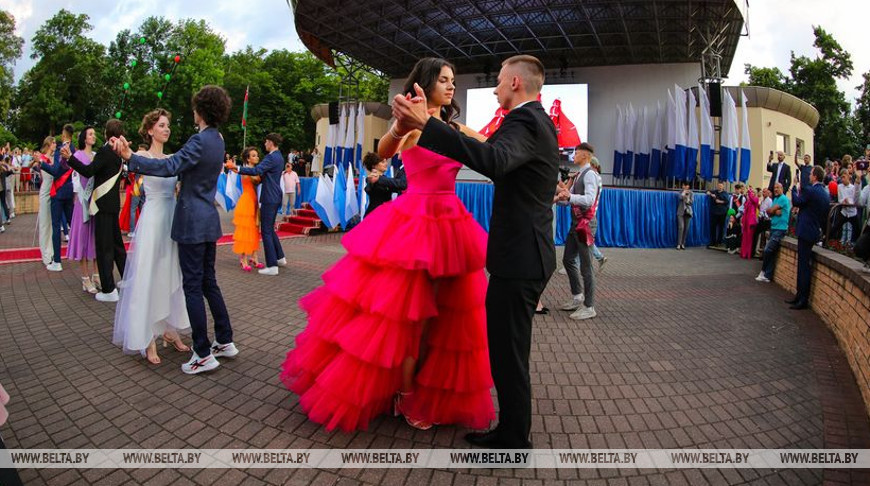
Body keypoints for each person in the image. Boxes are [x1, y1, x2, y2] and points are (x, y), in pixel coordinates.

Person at [281, 57, 495, 434]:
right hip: (415, 226)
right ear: (425, 83)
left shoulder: (455, 128)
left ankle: (424, 387)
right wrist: (401, 123)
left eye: (453, 81)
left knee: (445, 316)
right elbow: (384, 150)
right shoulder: (411, 124)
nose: (451, 86)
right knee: (410, 318)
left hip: (452, 226)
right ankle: (405, 392)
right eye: (444, 80)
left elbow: (494, 152)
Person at [393, 54, 558, 449]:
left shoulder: (525, 121)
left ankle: (513, 439)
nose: (495, 87)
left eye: (499, 80)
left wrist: (428, 124)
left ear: (515, 82)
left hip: (520, 258)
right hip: (523, 254)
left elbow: (495, 160)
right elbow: (493, 154)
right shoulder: (533, 121)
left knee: (509, 353)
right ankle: (511, 432)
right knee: (507, 350)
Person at [111, 86, 237, 375]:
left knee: (192, 286)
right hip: (207, 220)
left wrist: (130, 156)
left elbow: (171, 165)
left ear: (201, 110)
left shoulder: (200, 140)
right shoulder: (218, 139)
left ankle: (202, 353)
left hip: (191, 222)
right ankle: (224, 340)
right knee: (208, 282)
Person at [112, 109, 191, 363]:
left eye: (168, 125)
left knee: (170, 273)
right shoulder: (142, 156)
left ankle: (169, 328)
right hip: (153, 219)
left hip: (171, 218)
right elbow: (129, 160)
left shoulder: (172, 158)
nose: (166, 129)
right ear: (150, 130)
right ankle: (147, 338)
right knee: (148, 275)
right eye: (161, 125)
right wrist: (122, 150)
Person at [66, 119, 128, 302]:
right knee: (117, 245)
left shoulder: (105, 151)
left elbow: (88, 171)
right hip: (113, 204)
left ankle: (108, 289)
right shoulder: (118, 152)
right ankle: (127, 279)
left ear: (106, 133)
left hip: (102, 205)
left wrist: (70, 159)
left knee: (104, 248)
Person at [226, 133, 286, 276]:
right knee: (269, 229)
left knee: (266, 231)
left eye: (266, 142)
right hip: (274, 196)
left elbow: (257, 171)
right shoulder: (279, 157)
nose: (264, 144)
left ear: (270, 142)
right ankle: (280, 258)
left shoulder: (271, 157)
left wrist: (237, 168)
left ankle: (272, 266)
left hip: (269, 197)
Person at [556, 142, 598, 319]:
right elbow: (569, 199)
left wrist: (569, 196)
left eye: (577, 153)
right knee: (568, 260)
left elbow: (589, 200)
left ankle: (589, 306)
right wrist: (561, 198)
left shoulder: (590, 175)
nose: (574, 155)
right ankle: (577, 297)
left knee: (586, 267)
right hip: (576, 224)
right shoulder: (580, 174)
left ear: (585, 156)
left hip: (585, 225)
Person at [787, 165, 829, 310]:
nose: (809, 175)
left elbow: (797, 202)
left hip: (805, 231)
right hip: (813, 231)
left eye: (811, 174)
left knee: (803, 266)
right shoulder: (824, 193)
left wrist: (793, 187)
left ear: (815, 176)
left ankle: (802, 298)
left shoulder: (811, 191)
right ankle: (799, 296)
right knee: (803, 265)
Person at [65, 126, 99, 294]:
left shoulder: (96, 156)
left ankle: (97, 274)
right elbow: (75, 180)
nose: (94, 136)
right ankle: (85, 278)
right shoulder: (77, 156)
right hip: (82, 202)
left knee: (96, 238)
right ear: (84, 138)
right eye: (91, 134)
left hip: (95, 201)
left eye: (94, 134)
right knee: (83, 239)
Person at [42, 130, 76, 272]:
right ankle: (81, 253)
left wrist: (41, 163)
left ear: (64, 135)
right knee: (72, 223)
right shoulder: (74, 150)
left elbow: (56, 171)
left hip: (58, 192)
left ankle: (57, 261)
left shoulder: (61, 150)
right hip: (69, 191)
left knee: (56, 226)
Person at [232, 147, 264, 271]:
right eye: (253, 155)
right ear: (248, 159)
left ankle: (254, 257)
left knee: (255, 230)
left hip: (255, 201)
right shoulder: (246, 171)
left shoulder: (256, 170)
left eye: (257, 155)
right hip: (247, 202)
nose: (257, 157)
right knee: (246, 230)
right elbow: (255, 179)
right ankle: (244, 258)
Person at [756, 183, 791, 282]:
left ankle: (763, 272)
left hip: (780, 229)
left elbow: (770, 211)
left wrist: (772, 211)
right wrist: (774, 211)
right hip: (774, 227)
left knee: (768, 250)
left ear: (782, 188)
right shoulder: (775, 199)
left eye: (777, 188)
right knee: (771, 252)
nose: (775, 189)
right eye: (775, 188)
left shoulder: (783, 199)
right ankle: (768, 276)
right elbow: (768, 212)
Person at [36, 137, 55, 266]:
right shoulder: (42, 159)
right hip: (45, 192)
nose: (55, 145)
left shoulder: (54, 159)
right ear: (48, 144)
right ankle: (45, 254)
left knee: (51, 224)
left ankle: (51, 251)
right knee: (44, 224)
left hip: (53, 192)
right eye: (53, 143)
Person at [832, 170, 859, 246]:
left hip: (852, 212)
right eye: (841, 177)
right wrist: (843, 201)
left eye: (844, 177)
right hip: (844, 211)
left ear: (848, 176)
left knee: (856, 229)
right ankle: (827, 240)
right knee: (836, 226)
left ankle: (853, 243)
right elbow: (840, 198)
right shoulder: (840, 186)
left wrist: (849, 201)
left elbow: (855, 199)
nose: (842, 179)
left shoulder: (853, 187)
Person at [706, 182, 729, 248]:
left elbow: (727, 201)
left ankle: (719, 242)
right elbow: (707, 191)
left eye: (721, 186)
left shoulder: (725, 193)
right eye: (719, 186)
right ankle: (712, 242)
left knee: (721, 228)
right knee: (713, 227)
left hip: (722, 213)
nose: (719, 187)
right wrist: (710, 194)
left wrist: (720, 201)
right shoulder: (714, 191)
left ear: (723, 187)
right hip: (714, 212)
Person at [740, 184, 759, 259]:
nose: (752, 193)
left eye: (753, 192)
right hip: (746, 220)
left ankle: (748, 254)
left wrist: (749, 190)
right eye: (752, 192)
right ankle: (743, 253)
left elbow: (752, 199)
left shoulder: (756, 199)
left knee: (749, 238)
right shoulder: (748, 201)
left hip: (751, 221)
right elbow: (745, 209)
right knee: (744, 238)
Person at [753, 187, 772, 258]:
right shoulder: (762, 200)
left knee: (763, 236)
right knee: (757, 234)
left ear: (768, 193)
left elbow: (769, 211)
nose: (763, 193)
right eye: (763, 192)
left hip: (766, 220)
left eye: (764, 192)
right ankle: (756, 250)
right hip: (761, 219)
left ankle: (762, 252)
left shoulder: (769, 201)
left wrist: (765, 215)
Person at [676, 182, 694, 250]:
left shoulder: (691, 193)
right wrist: (684, 193)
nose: (684, 187)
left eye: (685, 185)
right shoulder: (680, 192)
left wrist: (687, 199)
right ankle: (679, 244)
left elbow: (691, 202)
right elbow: (680, 198)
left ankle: (683, 244)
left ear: (688, 186)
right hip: (680, 212)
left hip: (688, 212)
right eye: (683, 185)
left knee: (686, 228)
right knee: (681, 227)